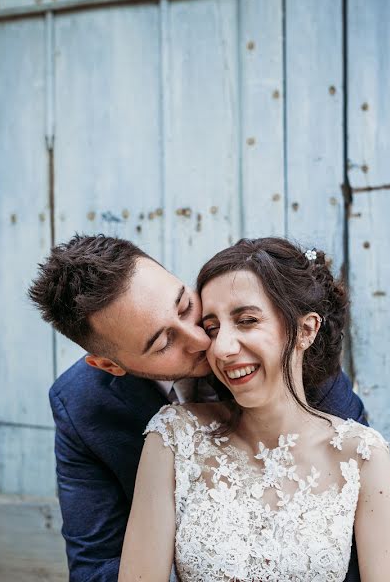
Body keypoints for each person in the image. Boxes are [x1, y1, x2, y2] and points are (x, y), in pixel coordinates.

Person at [28, 234, 367, 581]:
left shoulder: (281, 348)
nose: (205, 340)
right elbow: (95, 567)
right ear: (109, 365)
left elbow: (353, 527)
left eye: (185, 306)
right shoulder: (81, 404)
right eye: (163, 342)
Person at [118, 238, 390, 581]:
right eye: (212, 328)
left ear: (305, 329)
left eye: (246, 320)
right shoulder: (174, 436)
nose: (222, 348)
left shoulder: (362, 455)